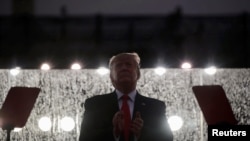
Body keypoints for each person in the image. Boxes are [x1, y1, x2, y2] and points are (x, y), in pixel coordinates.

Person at [79, 52, 173, 141]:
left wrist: (142, 133)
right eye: (118, 65)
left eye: (128, 64)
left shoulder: (155, 106)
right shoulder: (95, 104)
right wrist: (114, 132)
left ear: (138, 74)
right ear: (111, 76)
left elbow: (167, 138)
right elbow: (84, 138)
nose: (124, 68)